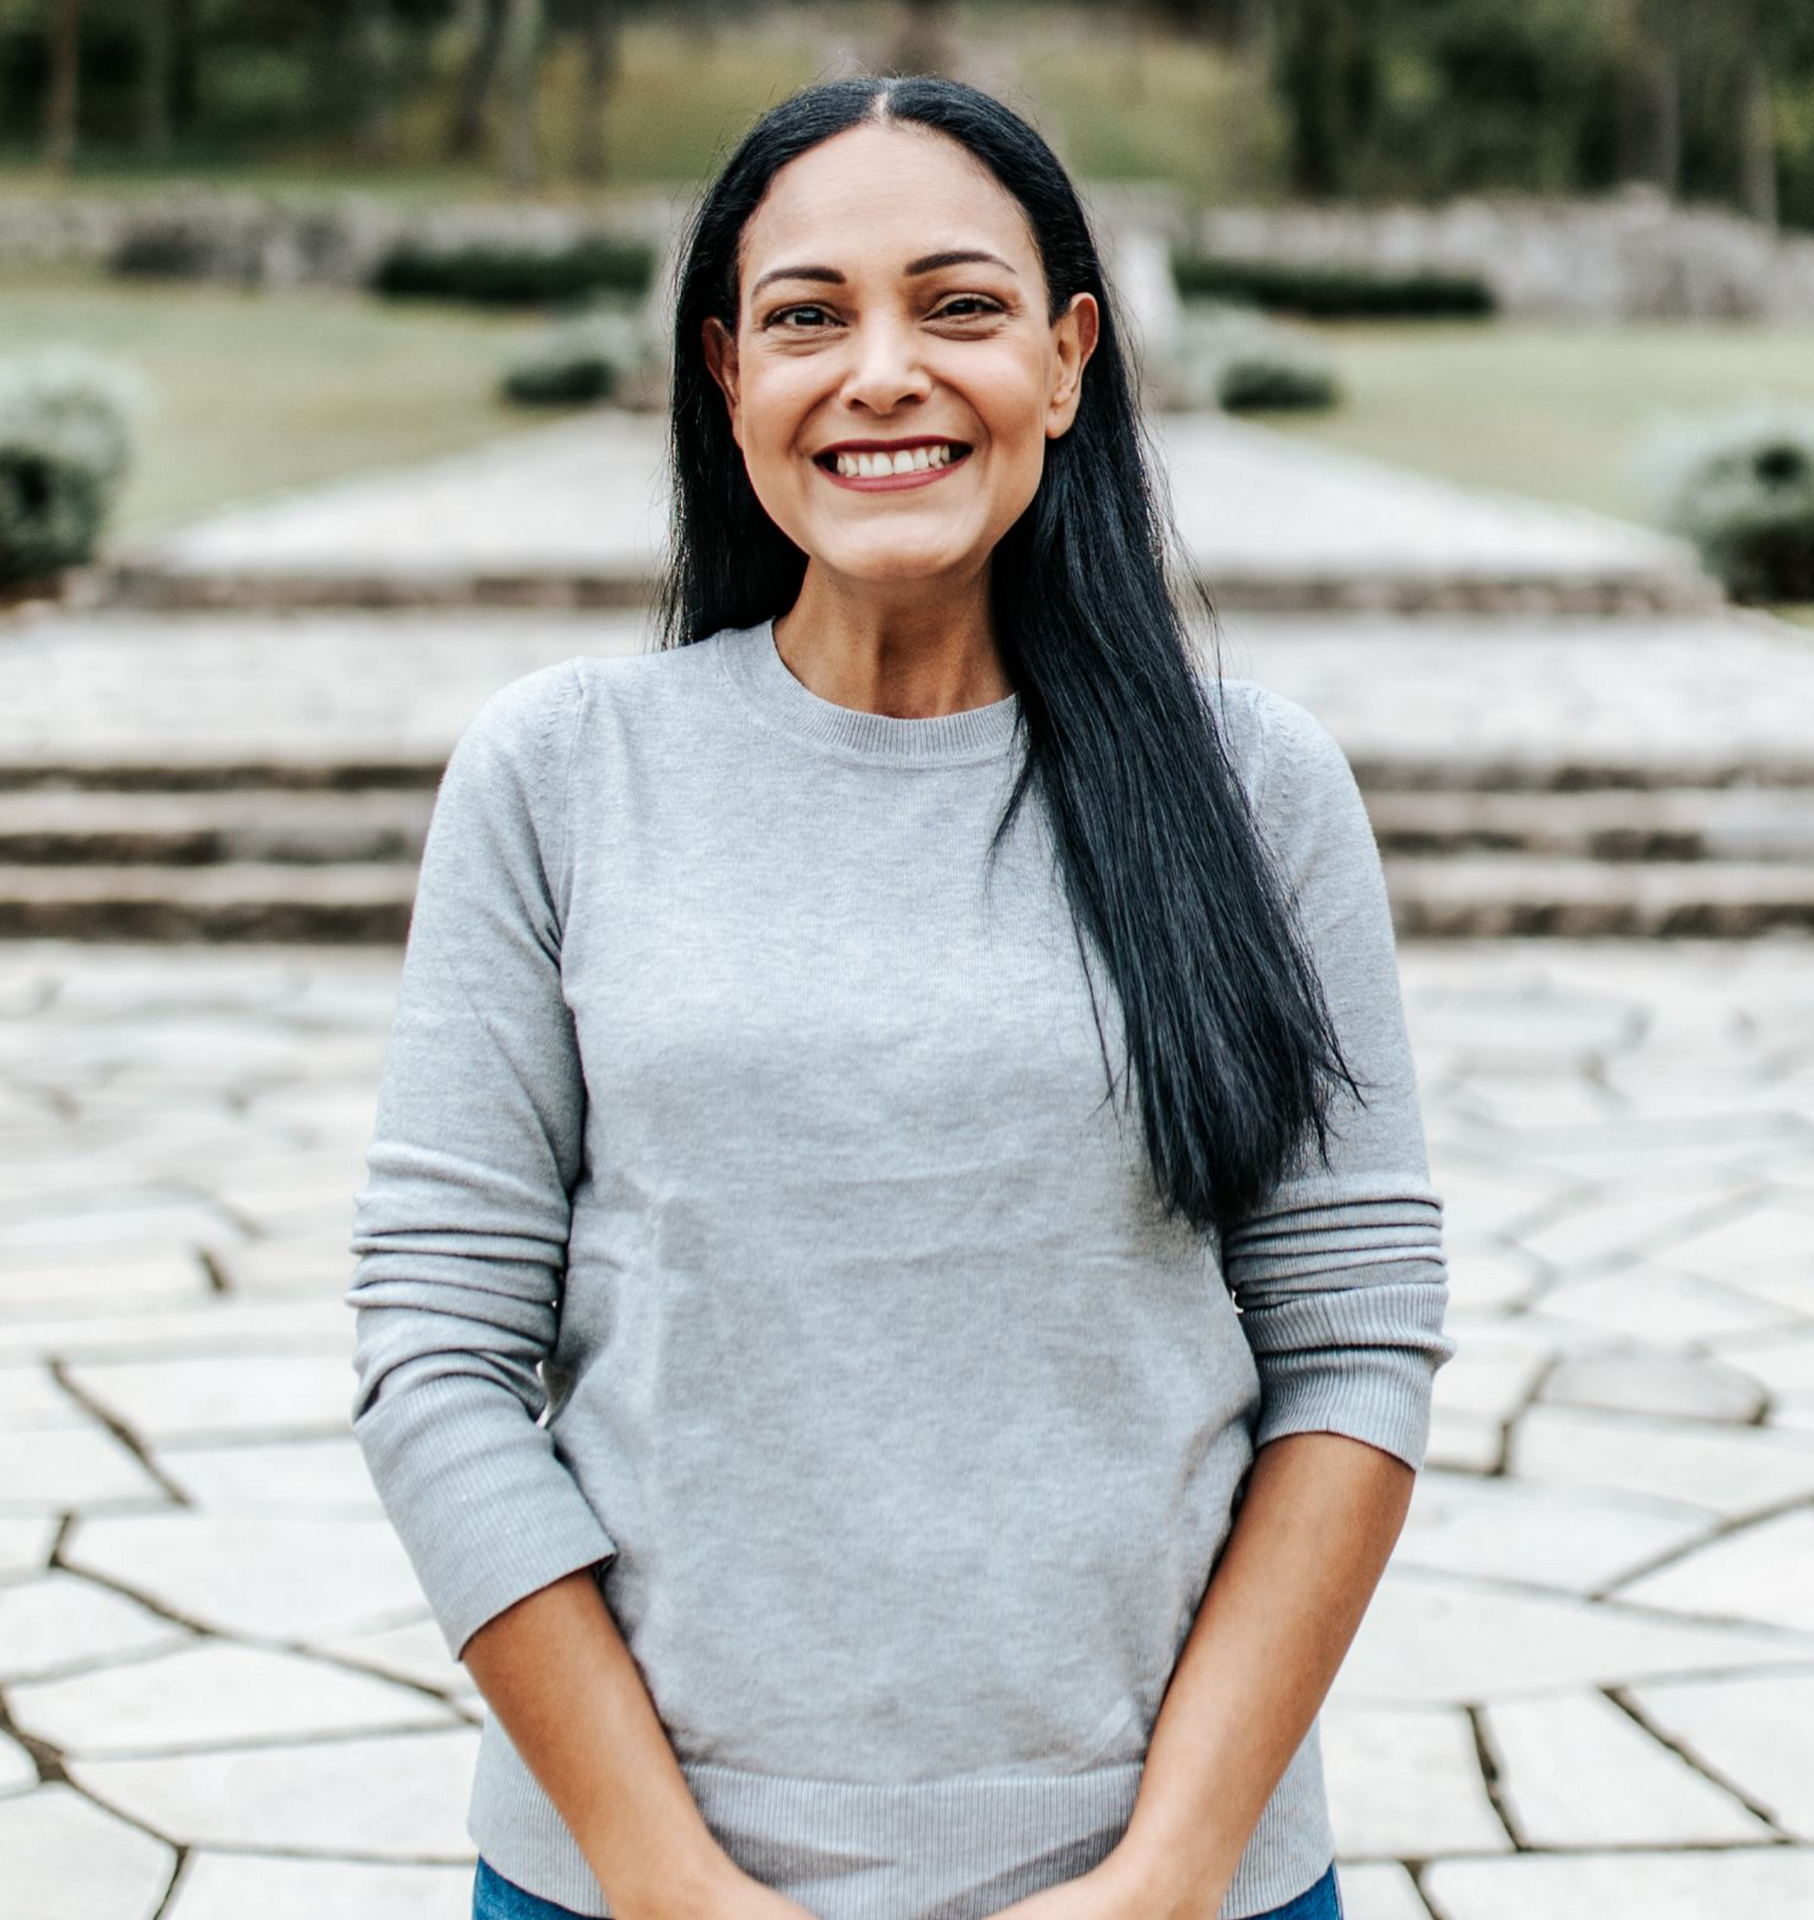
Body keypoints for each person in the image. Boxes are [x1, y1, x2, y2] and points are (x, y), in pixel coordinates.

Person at [346, 71, 1454, 1920]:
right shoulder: (559, 775)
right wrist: (663, 1878)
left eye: (958, 307)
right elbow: (435, 1354)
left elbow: (1355, 1345)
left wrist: (1167, 1876)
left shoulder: (1257, 792)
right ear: (723, 373)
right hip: (627, 1888)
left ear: (1069, 358)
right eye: (806, 318)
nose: (881, 373)